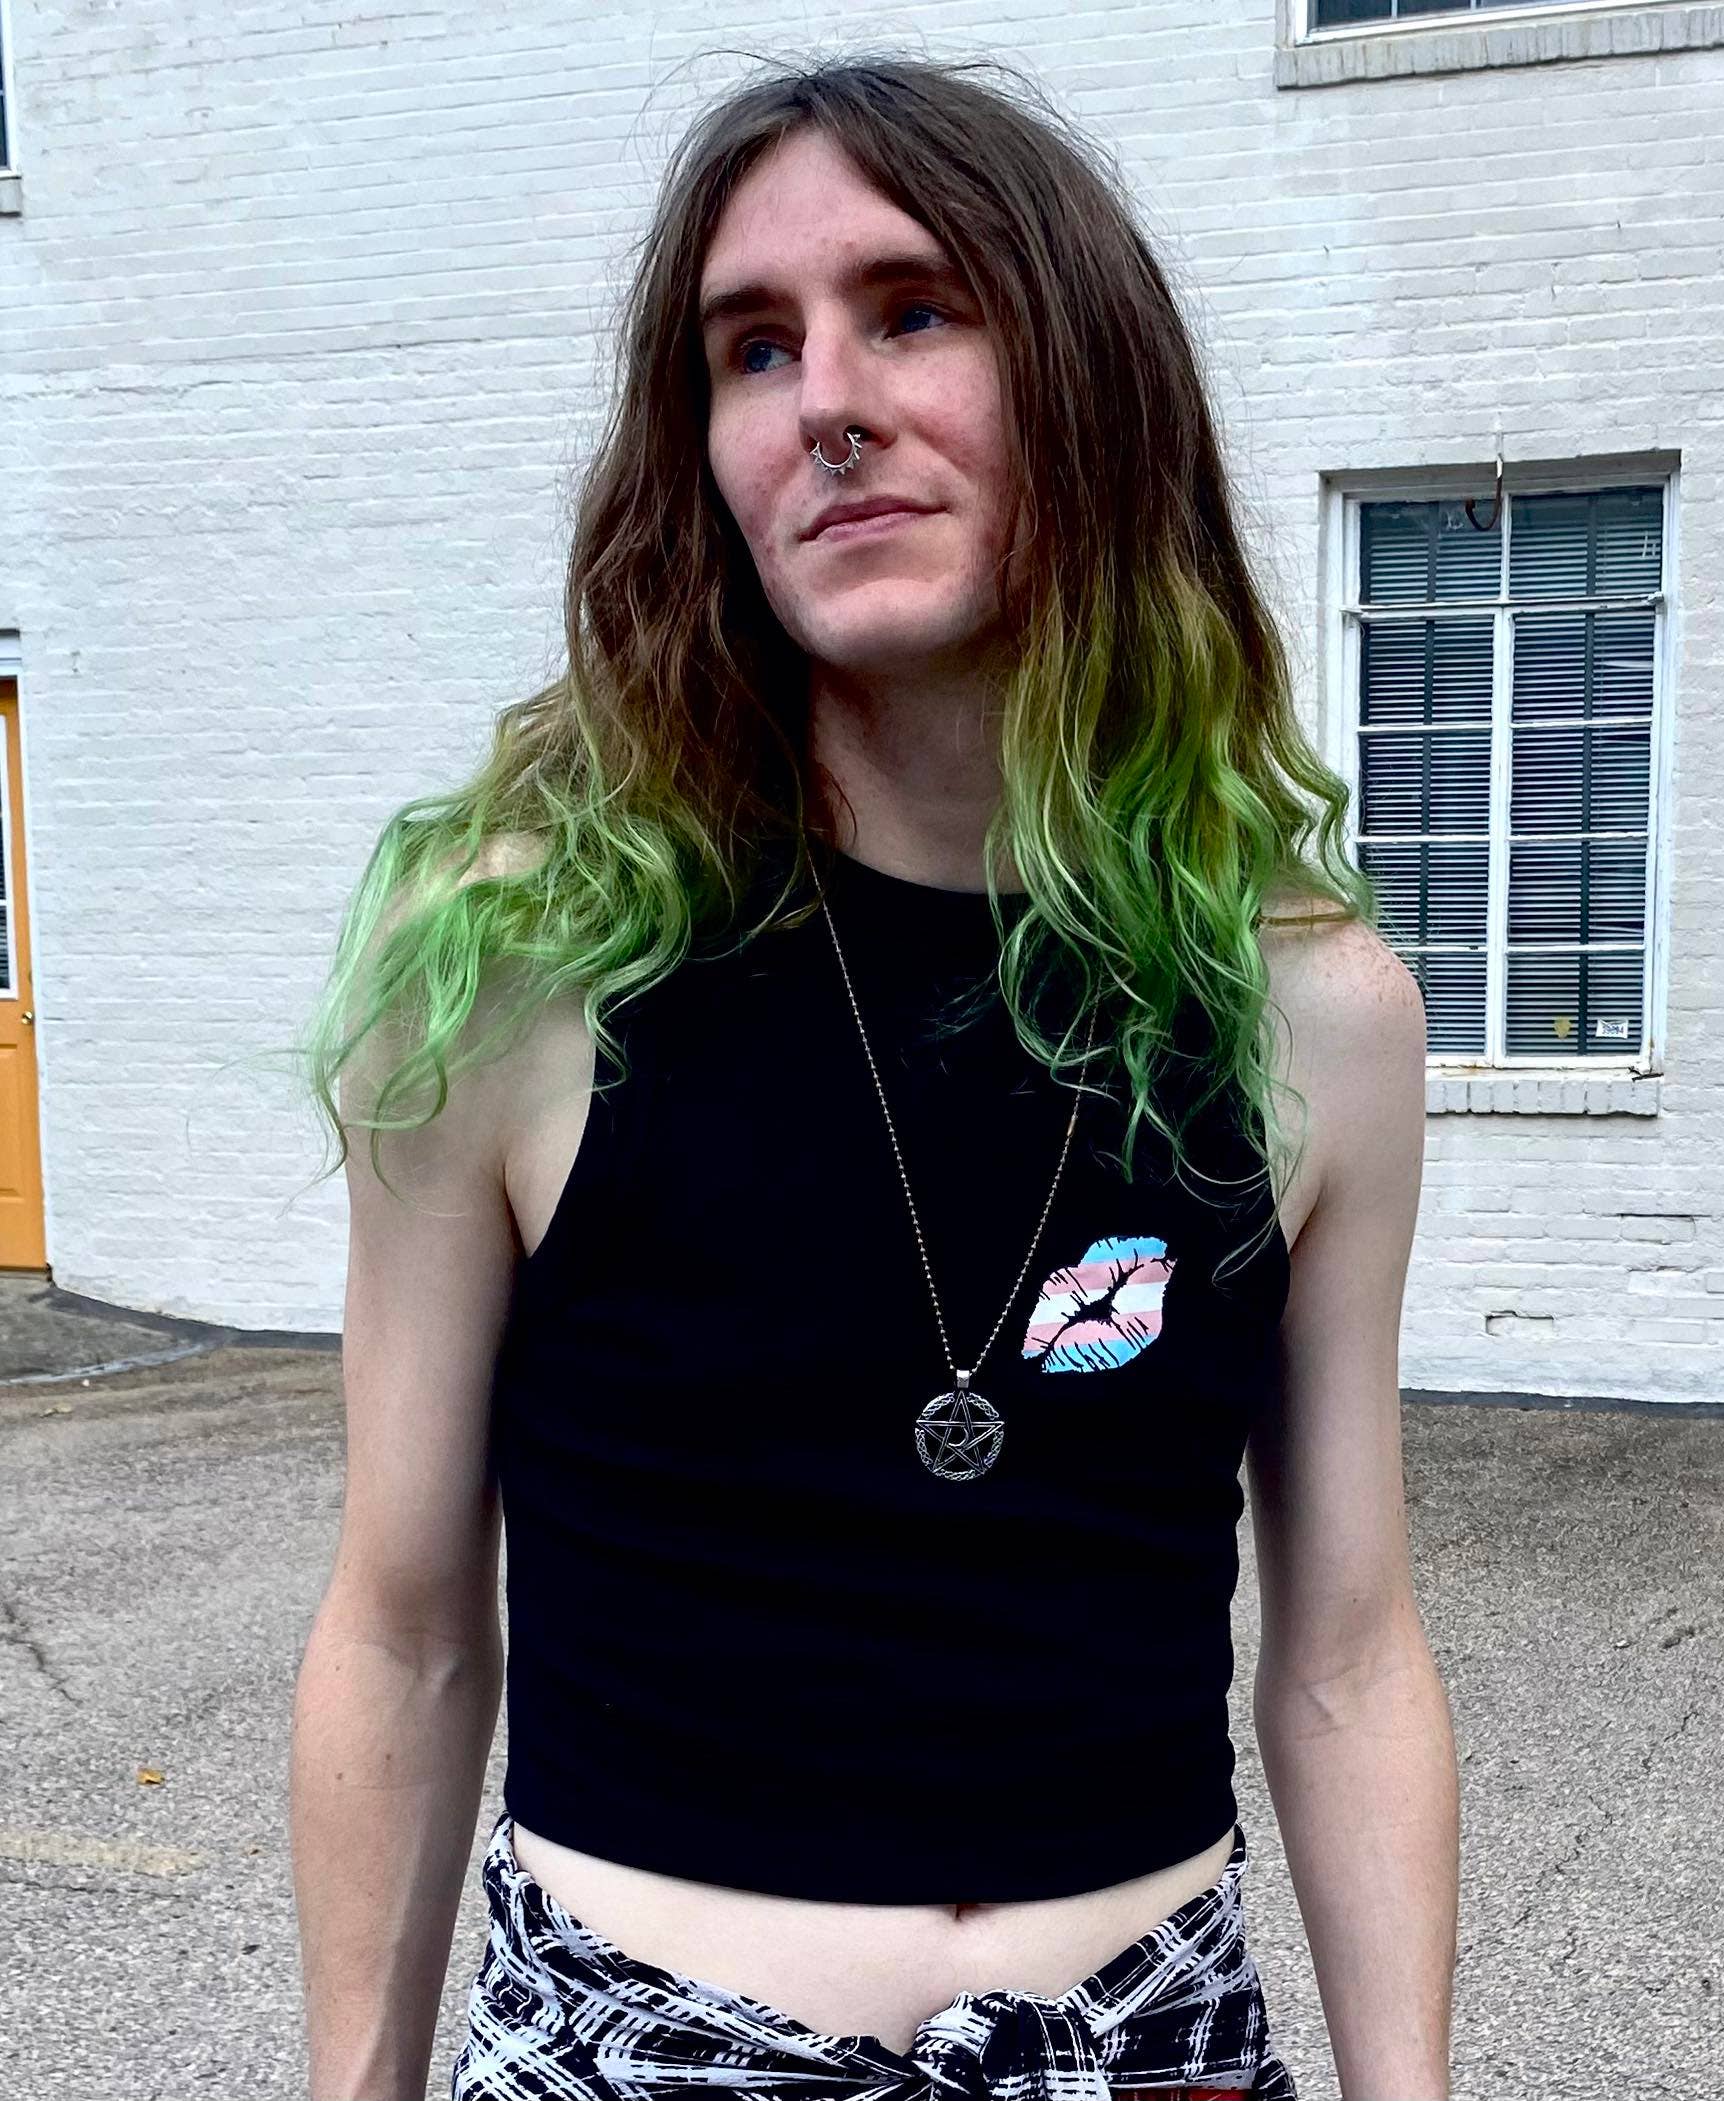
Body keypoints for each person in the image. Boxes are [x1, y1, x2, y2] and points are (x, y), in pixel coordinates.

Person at [288, 52, 1458, 2101]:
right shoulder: (516, 960)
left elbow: (1350, 1654)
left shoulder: (1308, 1011)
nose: (826, 397)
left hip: (1149, 2049)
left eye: (914, 311)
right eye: (754, 347)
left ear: (1089, 383)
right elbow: (403, 1626)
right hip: (637, 2055)